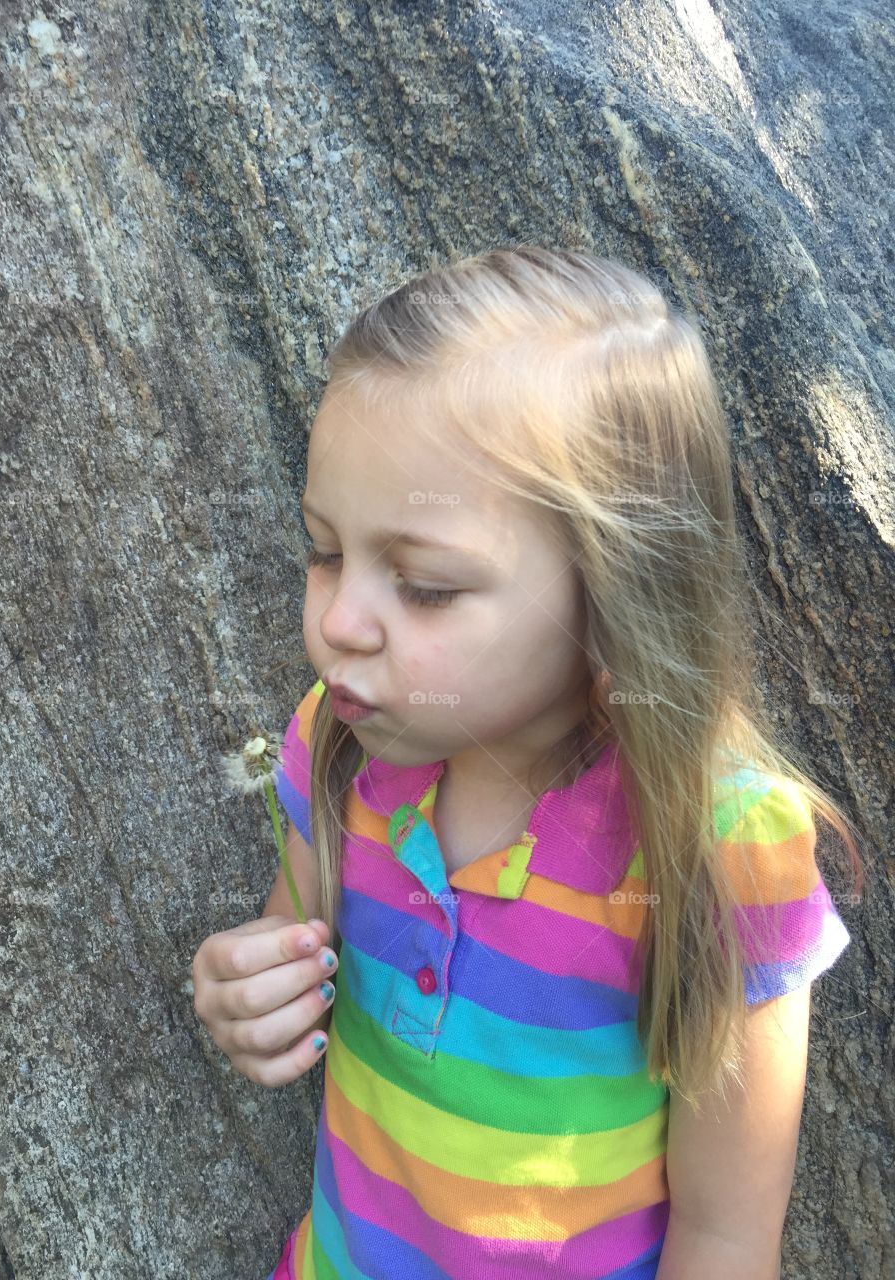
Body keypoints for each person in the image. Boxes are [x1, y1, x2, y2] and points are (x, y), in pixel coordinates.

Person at [191, 245, 865, 1279]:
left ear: (613, 595)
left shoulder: (714, 849)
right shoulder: (339, 746)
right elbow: (299, 940)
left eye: (422, 584)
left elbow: (726, 1235)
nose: (339, 621)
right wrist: (252, 989)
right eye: (325, 548)